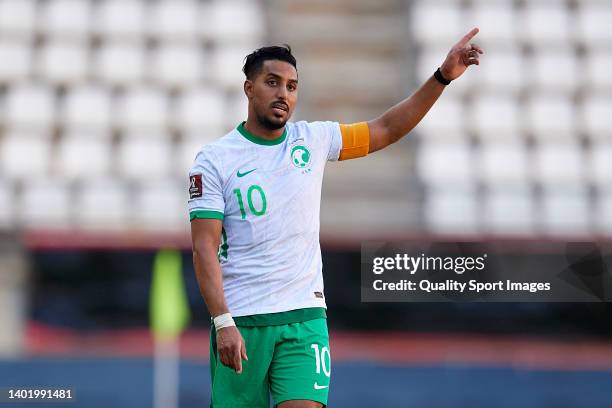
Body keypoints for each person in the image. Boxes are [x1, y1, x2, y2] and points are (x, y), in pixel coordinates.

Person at [189, 28, 484, 408]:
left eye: (292, 86)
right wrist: (222, 321)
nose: (283, 94)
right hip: (245, 320)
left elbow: (387, 129)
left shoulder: (313, 140)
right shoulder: (215, 160)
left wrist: (442, 77)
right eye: (272, 82)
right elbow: (203, 247)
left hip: (305, 317)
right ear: (249, 89)